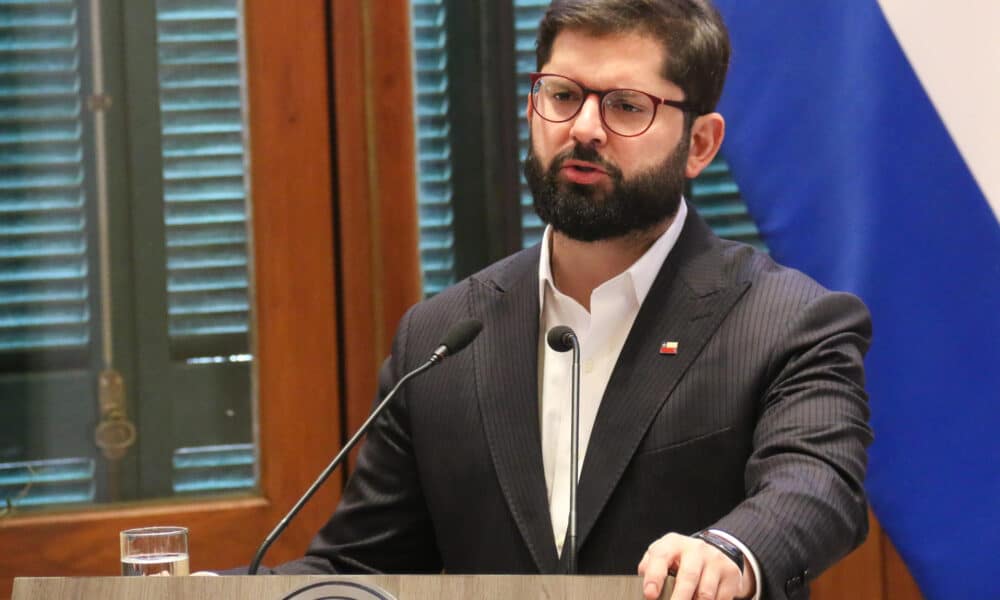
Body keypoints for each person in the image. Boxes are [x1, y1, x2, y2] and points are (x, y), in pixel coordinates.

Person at [260, 1, 873, 599]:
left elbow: (817, 486)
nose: (583, 129)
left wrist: (730, 550)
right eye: (562, 95)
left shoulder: (788, 323)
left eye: (627, 106)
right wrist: (196, 592)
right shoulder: (442, 336)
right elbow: (360, 567)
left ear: (700, 145)